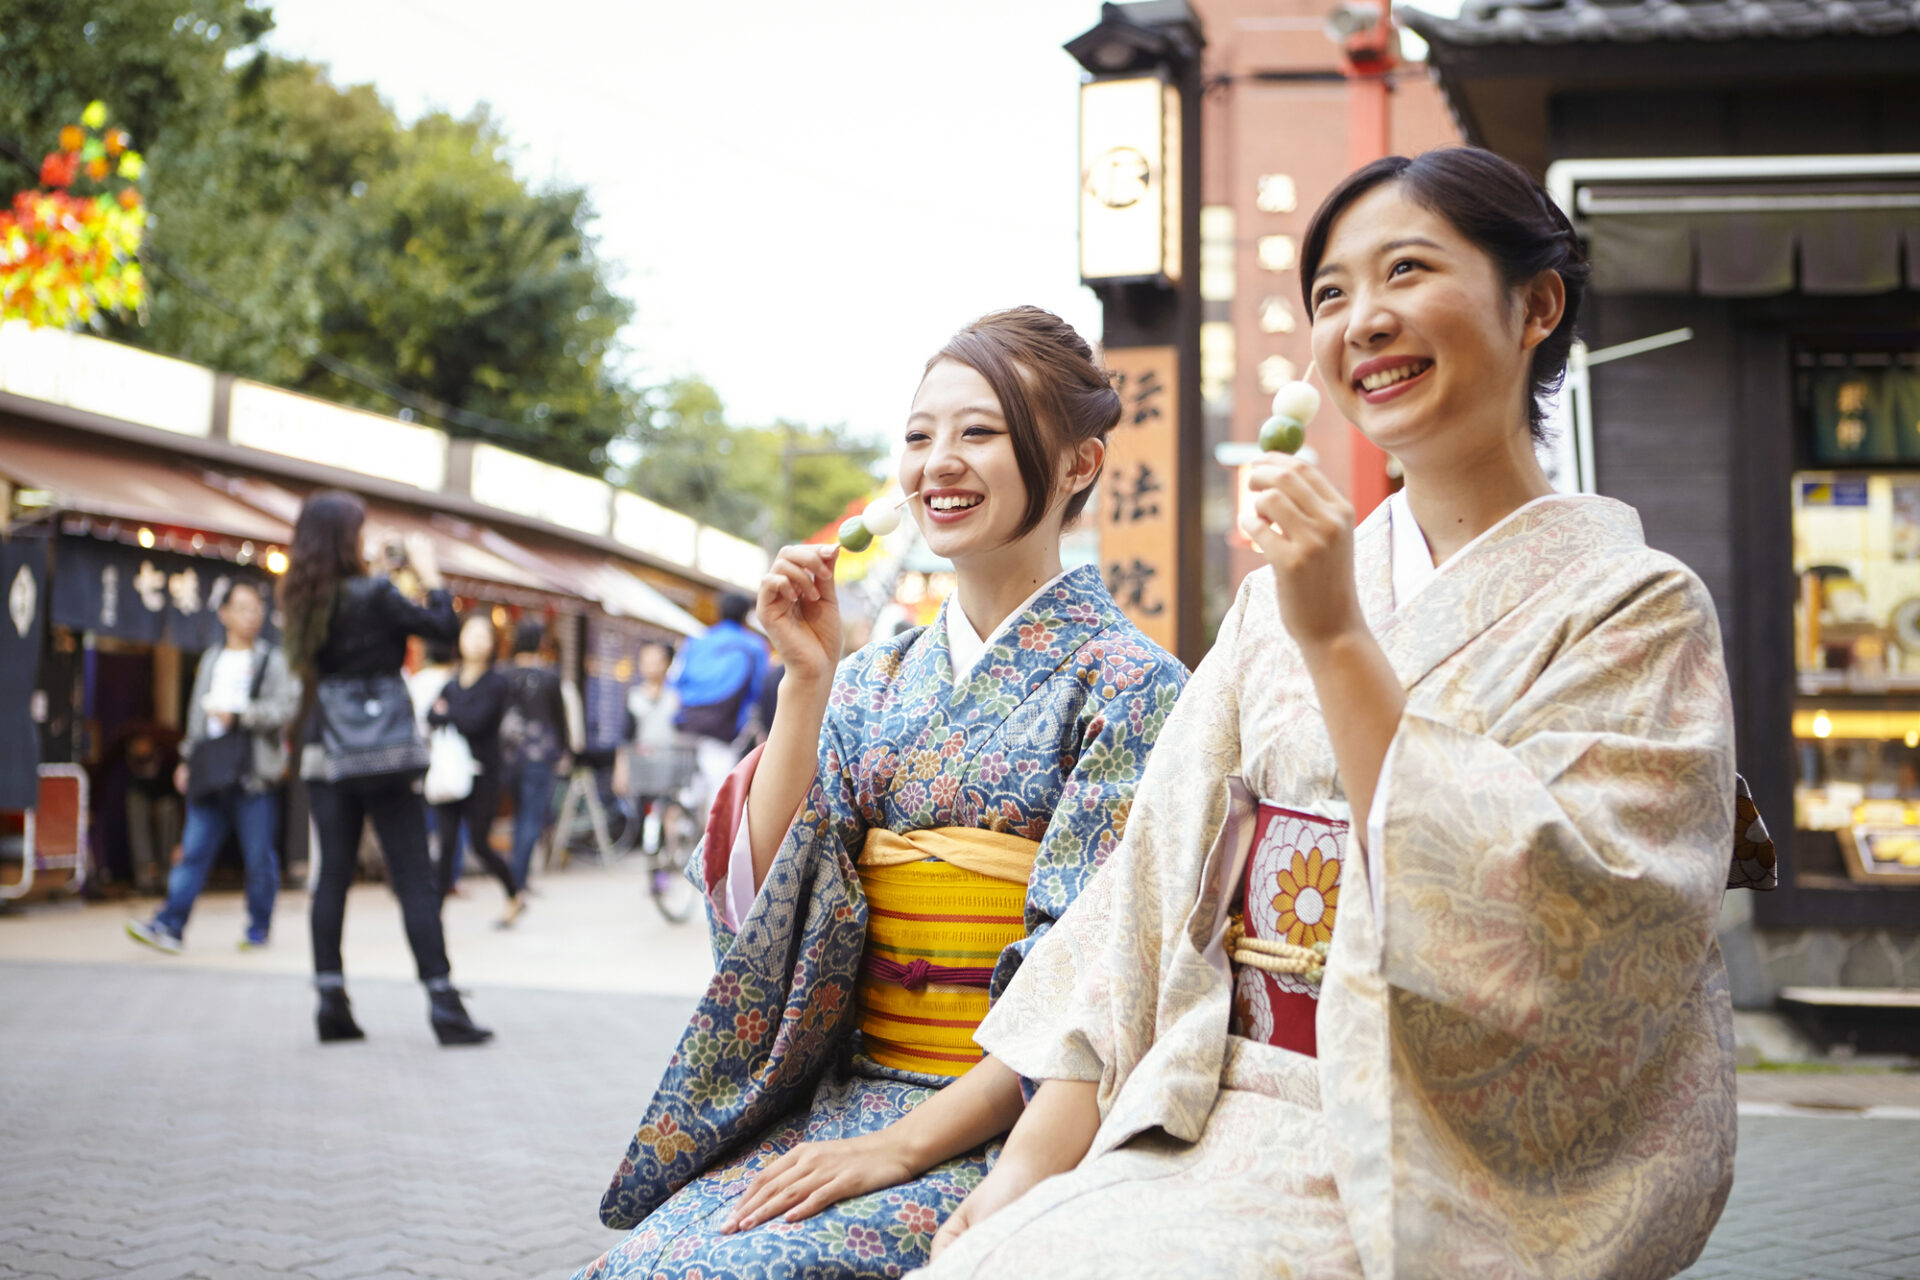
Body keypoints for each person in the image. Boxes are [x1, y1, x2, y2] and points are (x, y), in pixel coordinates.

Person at [917, 148, 1751, 1280]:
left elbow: (1579, 920)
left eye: (1407, 271)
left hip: (1442, 1152)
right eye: (1330, 294)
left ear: (1536, 305)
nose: (1364, 320)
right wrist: (1021, 1174)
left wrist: (1340, 640)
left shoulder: (1637, 607)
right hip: (1216, 1109)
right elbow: (1149, 900)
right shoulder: (1276, 602)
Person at [574, 306, 1189, 1280]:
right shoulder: (868, 679)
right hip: (851, 1096)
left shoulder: (1132, 687)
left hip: (1014, 1118)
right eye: (918, 435)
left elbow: (1094, 990)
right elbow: (772, 905)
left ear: (1079, 463)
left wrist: (898, 1147)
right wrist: (805, 682)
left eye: (978, 431)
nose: (938, 461)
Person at [282, 489, 492, 1047]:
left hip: (326, 750)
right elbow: (443, 631)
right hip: (385, 753)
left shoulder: (302, 599)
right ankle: (444, 1006)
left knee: (332, 877)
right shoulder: (374, 593)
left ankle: (331, 1003)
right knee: (413, 878)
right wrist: (430, 574)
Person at [126, 581, 299, 954]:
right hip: (210, 770)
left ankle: (258, 927)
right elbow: (195, 716)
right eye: (243, 608)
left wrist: (240, 717)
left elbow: (285, 710)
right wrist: (187, 759)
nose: (251, 615)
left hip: (252, 772)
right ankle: (170, 924)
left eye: (256, 608)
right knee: (192, 850)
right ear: (224, 614)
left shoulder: (272, 660)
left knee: (258, 856)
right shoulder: (211, 659)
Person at [427, 613, 525, 927]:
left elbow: (476, 721)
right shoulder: (451, 681)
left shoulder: (497, 682)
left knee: (481, 844)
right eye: (471, 634)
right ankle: (433, 917)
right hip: (450, 775)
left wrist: (450, 714)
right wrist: (454, 714)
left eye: (484, 635)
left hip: (483, 774)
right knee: (446, 844)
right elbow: (431, 715)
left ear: (494, 643)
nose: (477, 641)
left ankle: (513, 893)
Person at [671, 592, 768, 809]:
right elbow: (758, 690)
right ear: (746, 615)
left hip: (686, 725)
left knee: (687, 791)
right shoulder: (754, 646)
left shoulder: (696, 640)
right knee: (718, 795)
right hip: (723, 729)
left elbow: (676, 682)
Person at [498, 619, 571, 892]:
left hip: (509, 756)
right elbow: (559, 719)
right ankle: (519, 877)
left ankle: (518, 875)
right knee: (531, 817)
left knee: (519, 815)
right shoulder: (549, 676)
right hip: (540, 756)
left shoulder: (503, 674)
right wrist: (565, 749)